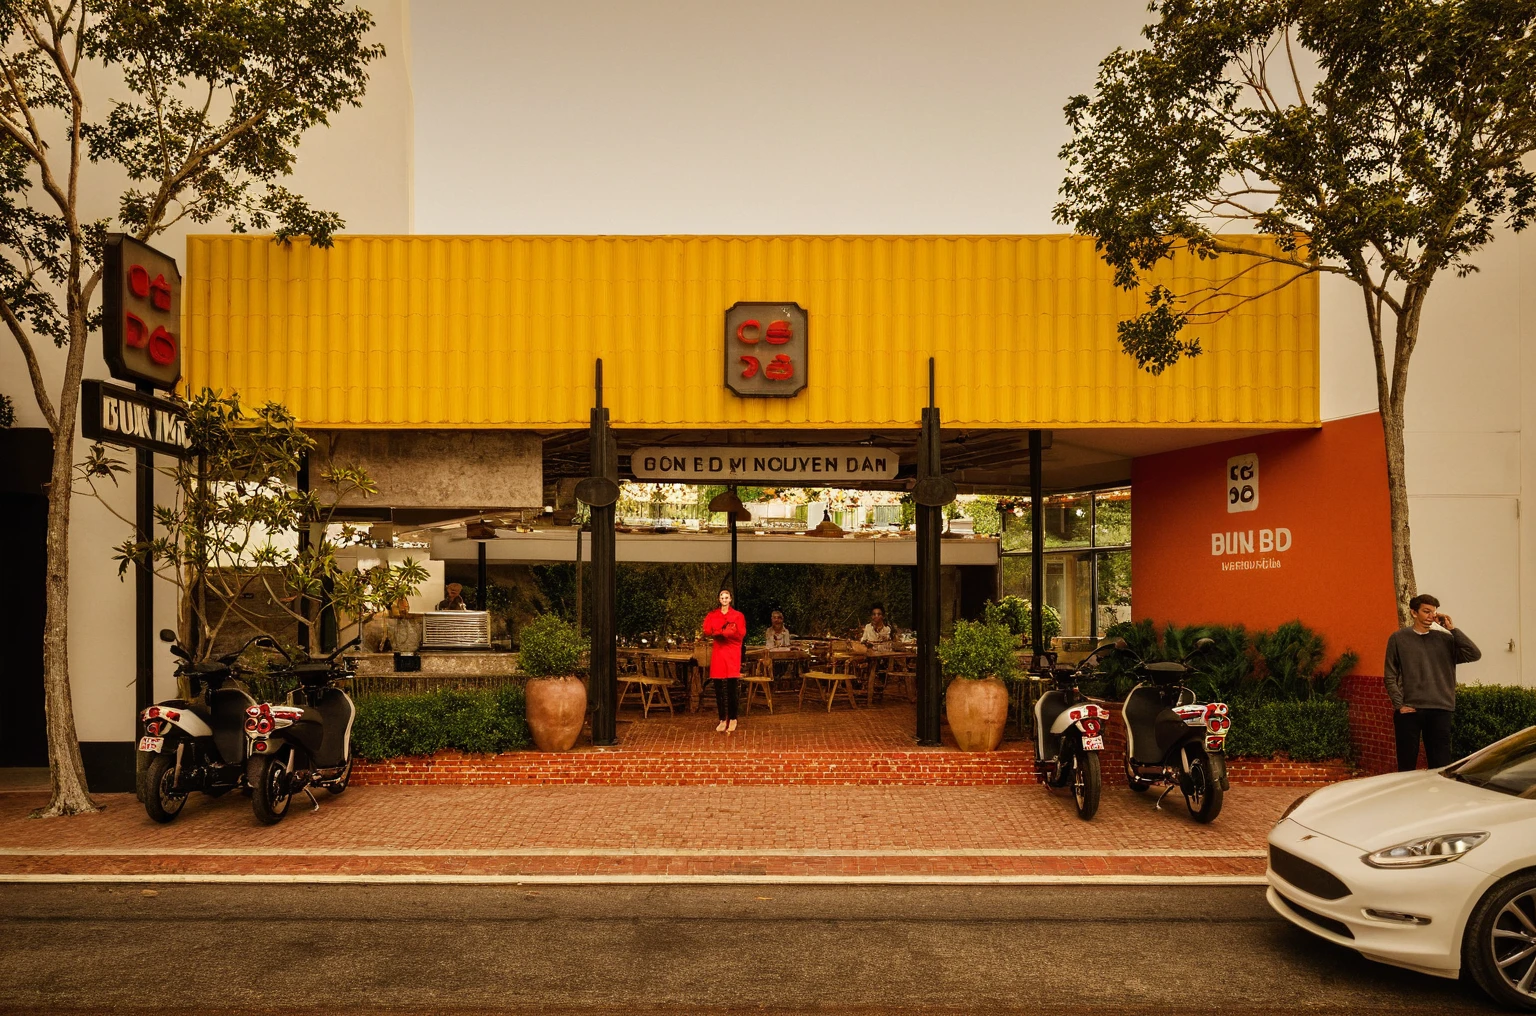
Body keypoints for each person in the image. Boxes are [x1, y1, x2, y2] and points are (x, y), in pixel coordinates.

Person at [1385, 593, 1481, 771]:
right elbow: (1390, 674)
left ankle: (1438, 798)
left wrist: (1452, 630)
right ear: (1414, 613)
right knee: (1406, 765)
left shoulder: (1445, 640)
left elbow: (1473, 654)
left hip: (1440, 709)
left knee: (1441, 766)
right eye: (1426, 611)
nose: (1431, 616)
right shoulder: (1398, 639)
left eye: (1434, 612)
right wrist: (1399, 704)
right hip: (1409, 710)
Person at [702, 588, 747, 733]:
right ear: (719, 599)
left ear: (730, 599)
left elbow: (741, 633)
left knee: (732, 686)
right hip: (719, 652)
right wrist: (721, 632)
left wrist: (725, 632)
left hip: (732, 652)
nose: (724, 599)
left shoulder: (738, 615)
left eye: (727, 596)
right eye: (722, 596)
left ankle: (733, 718)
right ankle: (722, 719)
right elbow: (707, 630)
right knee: (718, 686)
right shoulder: (713, 614)